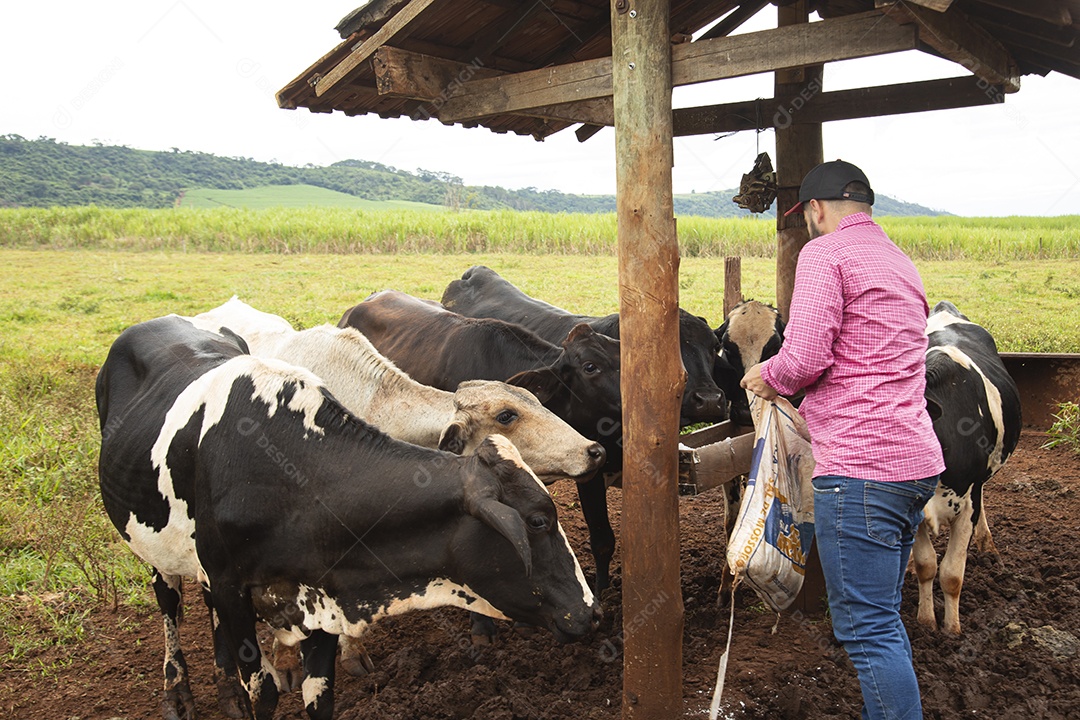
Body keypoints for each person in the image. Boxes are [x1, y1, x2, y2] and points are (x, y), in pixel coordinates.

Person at [741, 160, 945, 720]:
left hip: (862, 471)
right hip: (915, 465)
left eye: (805, 214)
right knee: (882, 618)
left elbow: (806, 355)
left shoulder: (824, 253)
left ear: (816, 209)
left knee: (865, 627)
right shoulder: (899, 261)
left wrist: (768, 375)